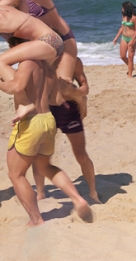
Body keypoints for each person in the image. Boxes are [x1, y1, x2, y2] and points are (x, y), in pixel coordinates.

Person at [0, 39, 93, 225]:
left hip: (31, 122)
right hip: (48, 120)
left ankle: (36, 219)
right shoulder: (48, 68)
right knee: (44, 167)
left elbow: (15, 87)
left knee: (16, 174)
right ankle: (77, 199)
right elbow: (57, 99)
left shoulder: (27, 63)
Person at [0, 0, 80, 103]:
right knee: (48, 91)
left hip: (63, 38)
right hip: (38, 45)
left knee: (64, 86)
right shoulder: (7, 9)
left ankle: (79, 98)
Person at [33, 56, 98, 203]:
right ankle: (40, 193)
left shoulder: (73, 61)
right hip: (45, 108)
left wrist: (74, 93)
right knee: (40, 154)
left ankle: (93, 192)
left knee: (80, 154)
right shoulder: (39, 59)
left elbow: (85, 87)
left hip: (68, 110)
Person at [112, 1, 136, 78]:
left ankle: (130, 75)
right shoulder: (123, 17)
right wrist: (116, 38)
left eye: (123, 8)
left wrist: (133, 40)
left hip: (132, 38)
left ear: (126, 8)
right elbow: (122, 28)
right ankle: (131, 67)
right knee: (123, 56)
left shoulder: (134, 17)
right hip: (124, 38)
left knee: (130, 57)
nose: (122, 9)